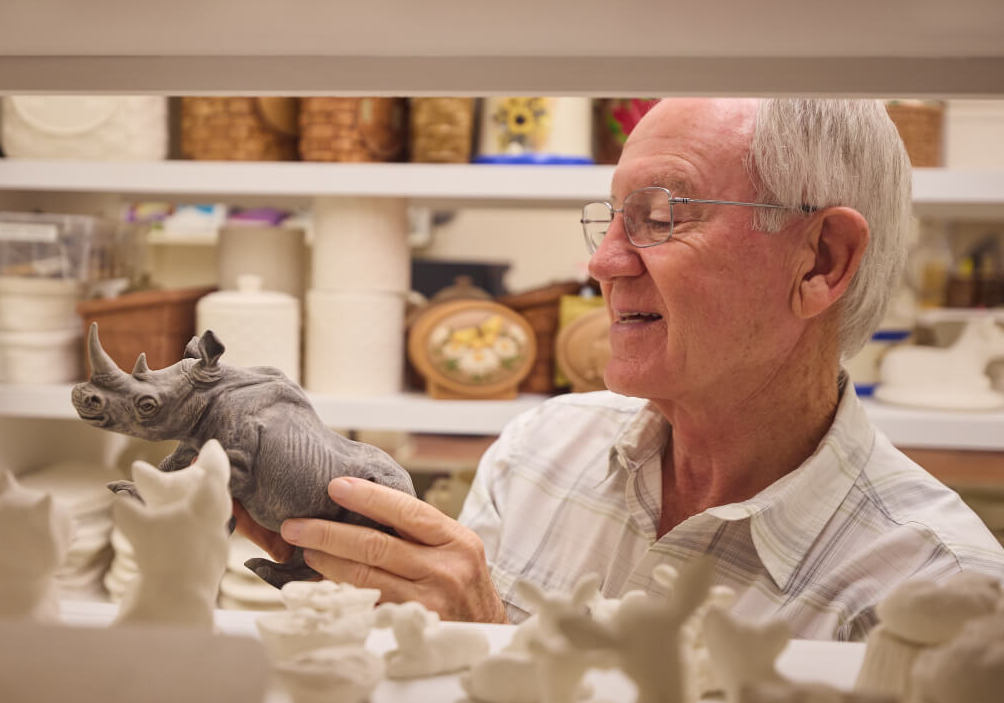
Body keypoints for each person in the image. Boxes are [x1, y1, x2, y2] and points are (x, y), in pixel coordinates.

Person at [236, 98, 1004, 641]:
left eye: (662, 215)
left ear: (822, 261)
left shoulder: (936, 592)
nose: (601, 262)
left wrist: (488, 647)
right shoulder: (540, 450)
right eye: (610, 217)